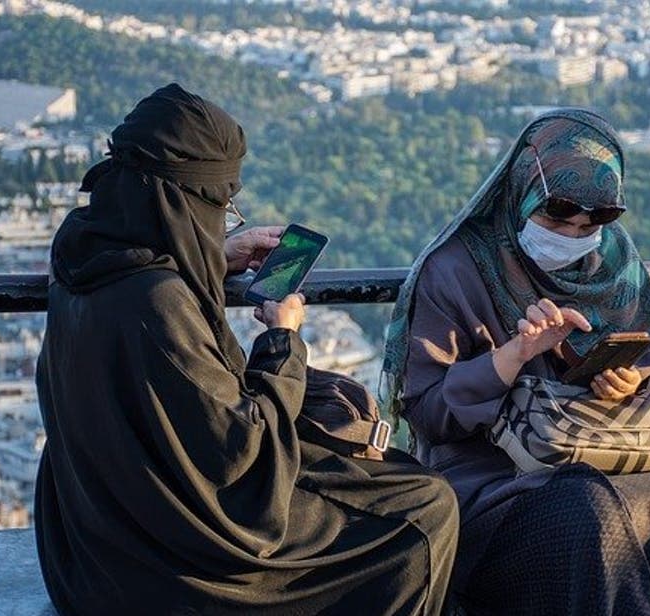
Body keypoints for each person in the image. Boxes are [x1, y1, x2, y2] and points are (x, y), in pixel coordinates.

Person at [34, 83, 459, 616]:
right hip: (169, 565)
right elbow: (239, 451)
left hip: (96, 541)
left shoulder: (83, 253)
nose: (223, 215)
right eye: (217, 203)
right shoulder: (154, 301)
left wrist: (210, 255)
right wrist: (282, 340)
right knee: (424, 508)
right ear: (179, 199)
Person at [382, 108, 650, 615]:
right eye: (556, 216)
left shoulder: (616, 266)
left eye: (594, 220)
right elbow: (426, 410)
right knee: (592, 517)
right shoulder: (458, 271)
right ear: (521, 193)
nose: (573, 235)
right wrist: (513, 356)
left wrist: (627, 381)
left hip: (603, 455)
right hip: (493, 481)